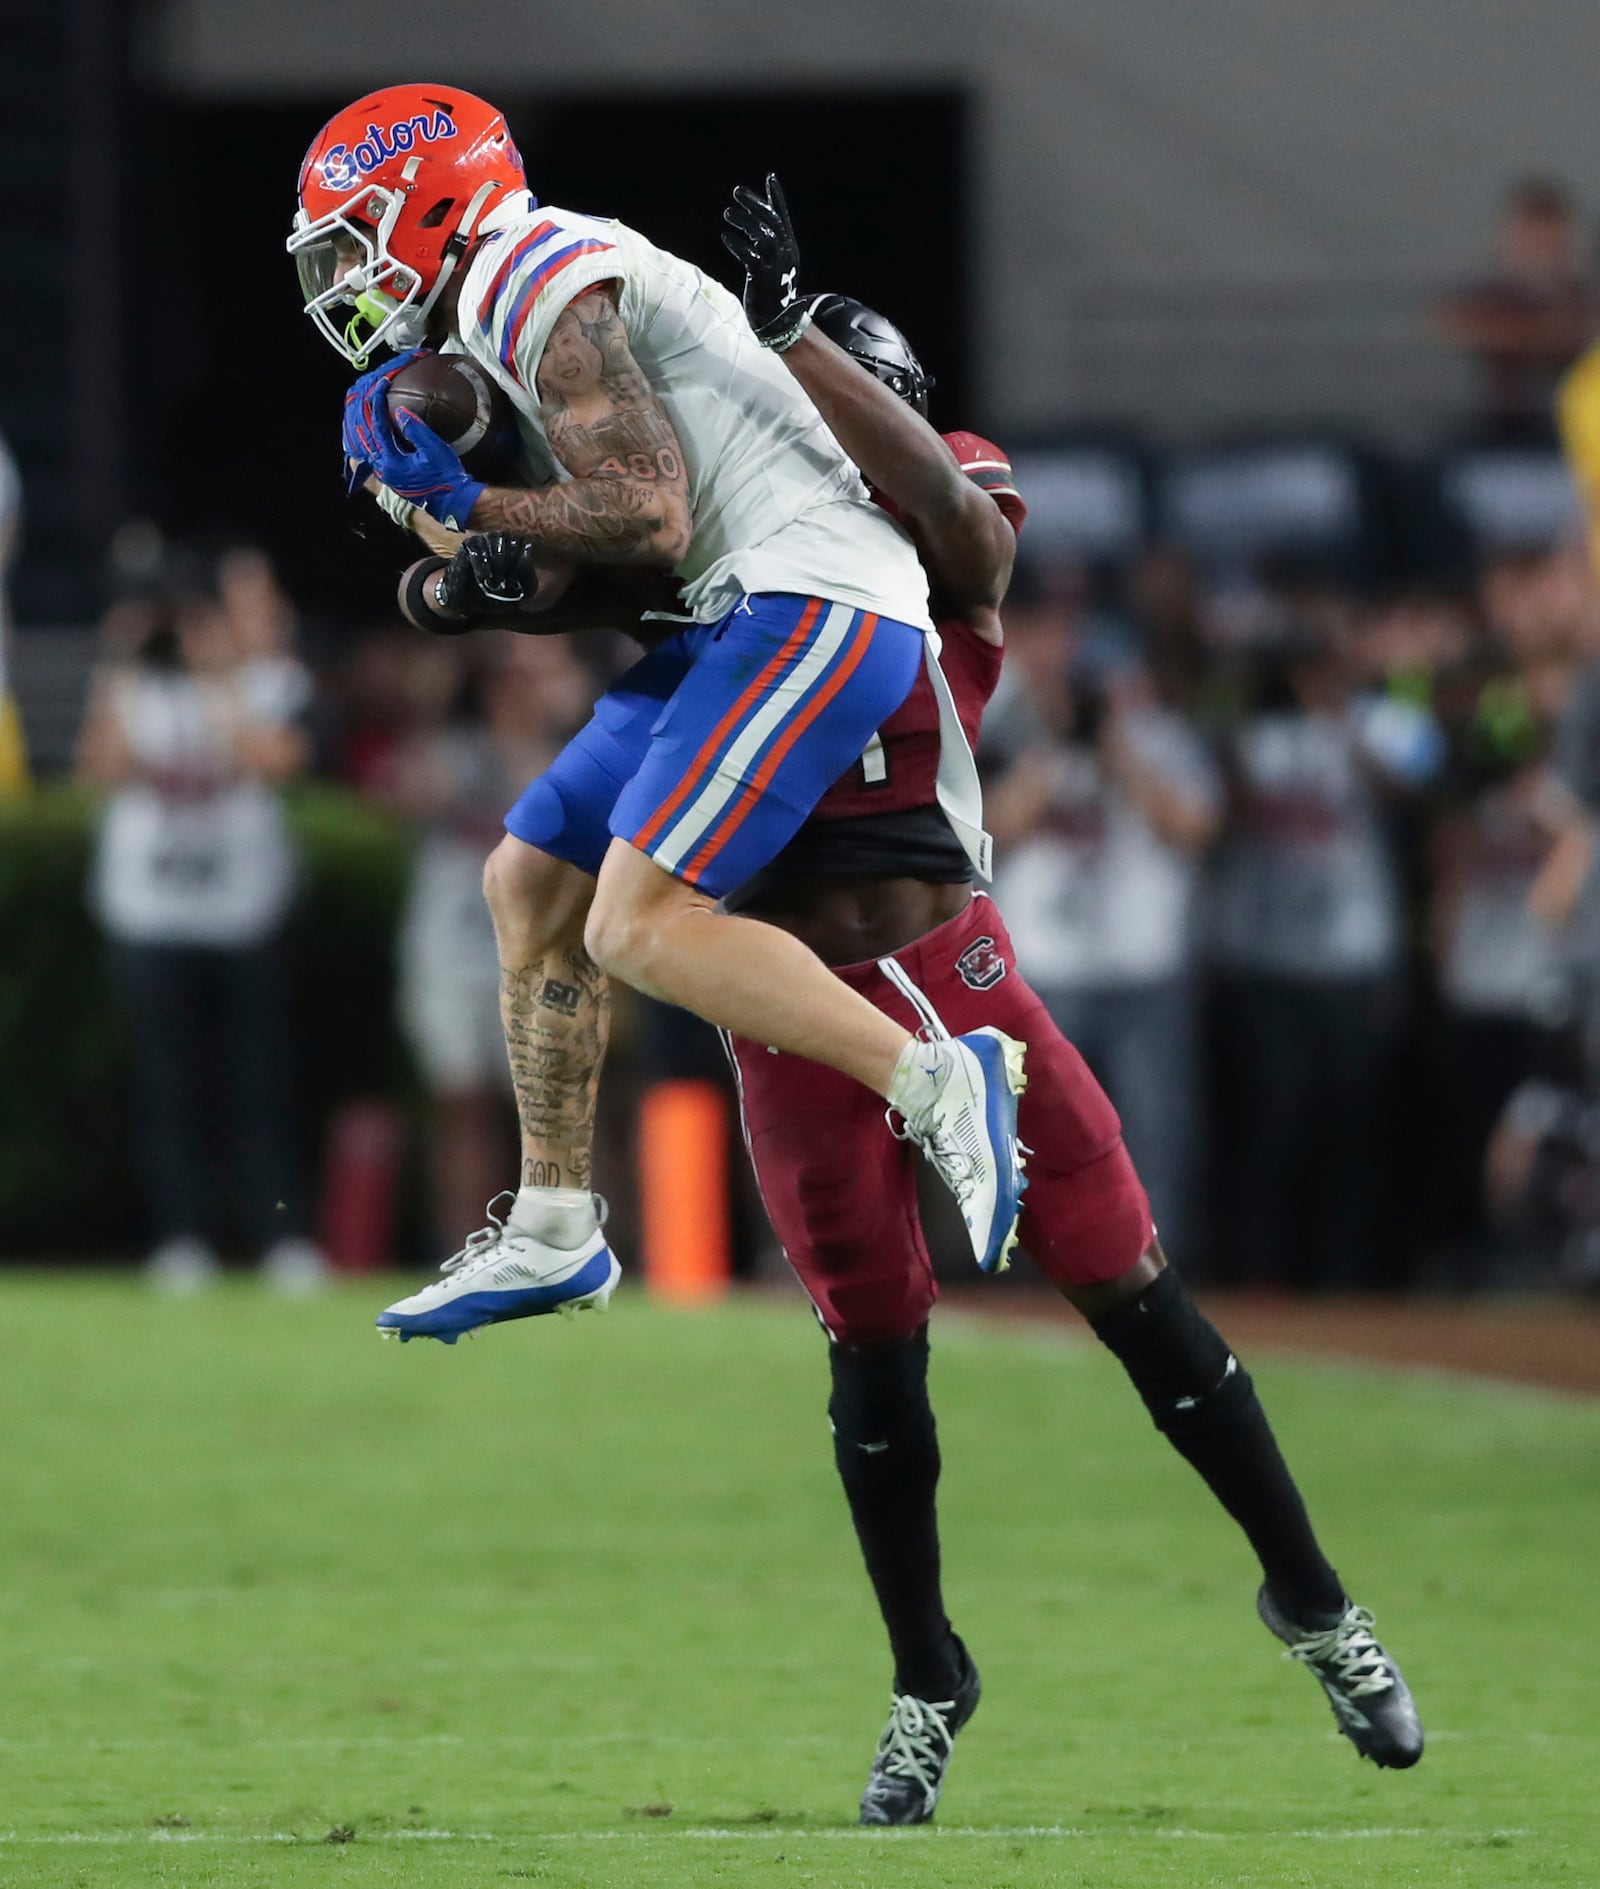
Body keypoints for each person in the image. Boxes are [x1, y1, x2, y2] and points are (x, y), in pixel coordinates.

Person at [386, 181, 1425, 1819]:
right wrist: (473, 554)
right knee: (870, 1349)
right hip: (785, 996)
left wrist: (796, 345)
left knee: (1132, 1288)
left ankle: (1315, 1594)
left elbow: (970, 529)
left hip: (951, 965)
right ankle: (926, 1669)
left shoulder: (896, 541)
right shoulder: (731, 571)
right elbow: (607, 571)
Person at [288, 84, 1026, 1311]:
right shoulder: (495, 311)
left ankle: (939, 1078)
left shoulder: (523, 272)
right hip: (729, 610)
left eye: (353, 238)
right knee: (527, 877)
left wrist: (466, 505)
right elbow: (591, 564)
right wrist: (432, 526)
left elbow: (647, 509)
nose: (342, 278)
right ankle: (556, 1222)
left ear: (429, 202)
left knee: (636, 920)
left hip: (812, 594)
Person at [75, 561, 327, 1293]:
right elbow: (100, 767)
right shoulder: (134, 686)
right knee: (168, 1087)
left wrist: (219, 678)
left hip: (242, 912)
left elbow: (275, 760)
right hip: (152, 912)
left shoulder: (266, 684)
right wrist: (121, 661)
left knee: (260, 1086)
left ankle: (280, 1237)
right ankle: (182, 1238)